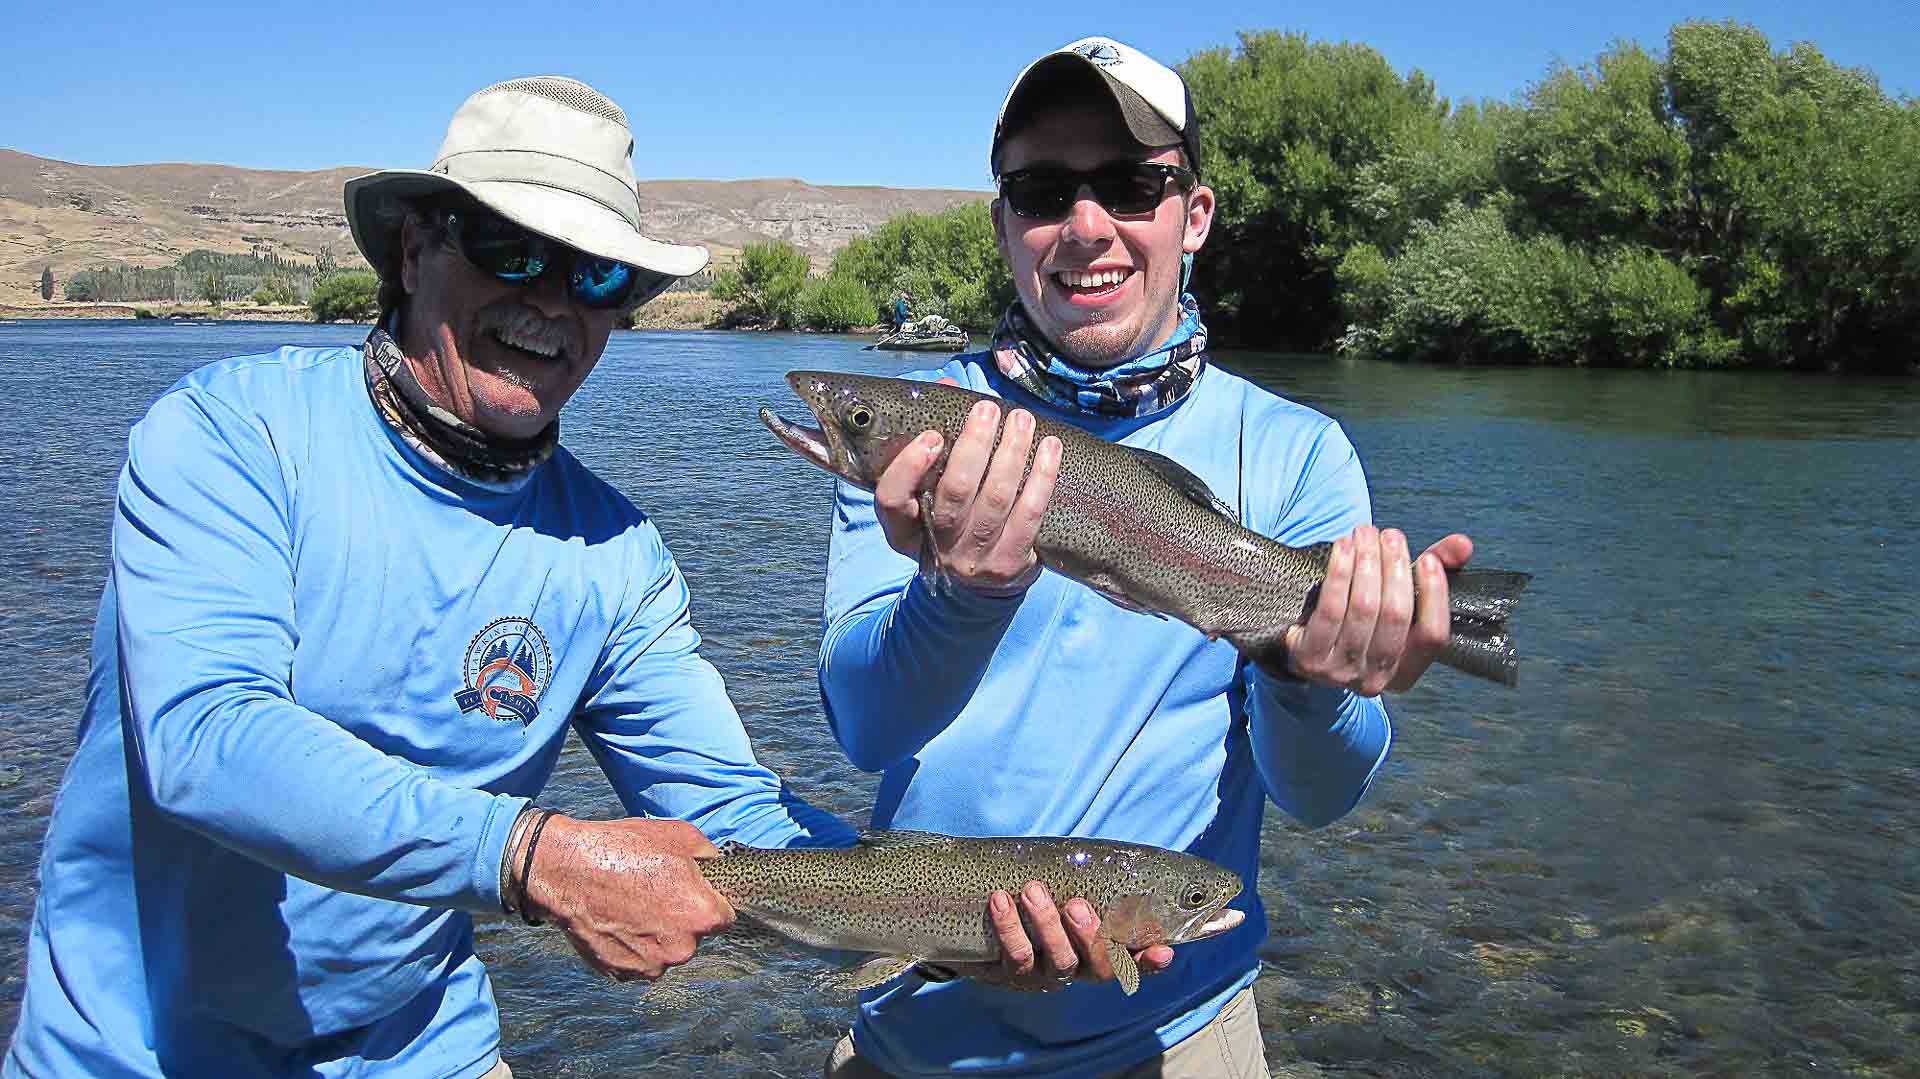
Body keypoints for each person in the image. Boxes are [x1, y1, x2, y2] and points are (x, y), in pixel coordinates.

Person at [3, 76, 868, 1079]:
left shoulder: (614, 557)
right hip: (133, 1051)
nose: (548, 300)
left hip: (418, 1045)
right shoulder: (230, 436)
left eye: (593, 275)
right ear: (415, 250)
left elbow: (733, 819)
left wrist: (978, 909)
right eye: (512, 249)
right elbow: (208, 738)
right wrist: (534, 857)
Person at [816, 38, 1478, 1077]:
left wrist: (1305, 678)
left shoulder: (1296, 455)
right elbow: (866, 725)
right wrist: (959, 593)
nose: (1087, 227)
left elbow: (1320, 794)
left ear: (1195, 214)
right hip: (920, 1026)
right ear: (1002, 224)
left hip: (1183, 1032)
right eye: (1042, 190)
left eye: (1131, 185)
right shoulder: (923, 426)